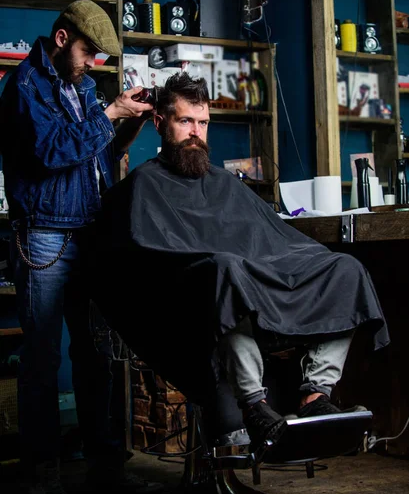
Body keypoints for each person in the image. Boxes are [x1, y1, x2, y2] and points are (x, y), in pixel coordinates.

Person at [85, 71, 390, 458]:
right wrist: (224, 266)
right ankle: (255, 405)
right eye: (185, 121)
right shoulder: (145, 185)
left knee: (344, 268)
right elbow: (146, 260)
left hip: (245, 285)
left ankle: (315, 393)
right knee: (227, 270)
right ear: (161, 124)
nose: (196, 132)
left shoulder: (225, 183)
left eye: (203, 123)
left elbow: (272, 240)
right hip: (188, 300)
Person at [0, 0, 162, 494]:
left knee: (96, 359)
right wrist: (109, 111)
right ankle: (40, 478)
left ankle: (104, 471)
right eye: (89, 52)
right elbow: (51, 153)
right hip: (45, 234)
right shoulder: (25, 87)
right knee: (43, 361)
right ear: (63, 37)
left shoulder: (83, 88)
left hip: (88, 232)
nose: (93, 64)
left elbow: (101, 151)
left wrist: (130, 119)